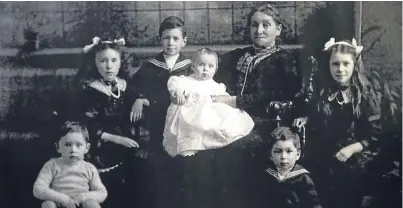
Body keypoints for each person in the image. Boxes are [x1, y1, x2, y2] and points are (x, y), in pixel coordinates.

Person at [213, 4, 304, 207]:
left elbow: (280, 96)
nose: (259, 30)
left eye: (266, 25)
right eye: (254, 25)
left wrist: (233, 101)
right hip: (228, 119)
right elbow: (210, 71)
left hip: (264, 123)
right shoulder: (238, 55)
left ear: (278, 29)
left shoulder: (284, 60)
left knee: (235, 149)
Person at [293, 38, 382, 208]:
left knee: (348, 191)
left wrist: (352, 148)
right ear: (328, 66)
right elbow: (317, 116)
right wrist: (306, 118)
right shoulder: (323, 93)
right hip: (326, 155)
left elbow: (374, 134)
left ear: (354, 65)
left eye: (345, 64)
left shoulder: (365, 95)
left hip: (355, 157)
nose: (340, 69)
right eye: (335, 64)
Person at [129, 16, 192, 208]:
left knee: (182, 169)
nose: (170, 43)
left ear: (184, 41)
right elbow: (135, 87)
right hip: (157, 123)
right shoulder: (150, 66)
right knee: (159, 169)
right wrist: (139, 98)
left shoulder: (189, 66)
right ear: (160, 39)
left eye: (175, 38)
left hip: (183, 124)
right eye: (166, 38)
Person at [77, 36, 145, 207]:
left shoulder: (123, 85)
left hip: (124, 142)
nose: (109, 66)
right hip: (102, 145)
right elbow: (89, 126)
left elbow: (139, 96)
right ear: (95, 63)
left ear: (120, 62)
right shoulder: (91, 90)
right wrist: (118, 139)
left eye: (114, 60)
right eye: (103, 61)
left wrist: (140, 101)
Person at [163, 47, 254, 157]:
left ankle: (209, 143)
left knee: (225, 117)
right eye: (201, 65)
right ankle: (189, 145)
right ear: (193, 66)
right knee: (186, 125)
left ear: (215, 70)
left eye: (210, 66)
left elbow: (222, 98)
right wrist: (178, 93)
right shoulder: (186, 81)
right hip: (187, 115)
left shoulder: (215, 86)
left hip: (206, 116)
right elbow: (175, 86)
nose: (205, 69)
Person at [33, 121, 107, 208]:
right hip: (59, 204)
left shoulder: (89, 168)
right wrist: (62, 199)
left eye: (78, 145)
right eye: (67, 145)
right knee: (47, 204)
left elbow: (102, 193)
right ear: (58, 147)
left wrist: (82, 197)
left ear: (86, 148)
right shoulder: (52, 165)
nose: (73, 150)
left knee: (91, 204)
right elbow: (38, 189)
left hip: (80, 205)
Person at [254, 126, 322, 208]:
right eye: (278, 151)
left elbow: (314, 204)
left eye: (289, 151)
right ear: (270, 155)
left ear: (298, 155)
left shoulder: (303, 178)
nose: (283, 156)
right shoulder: (266, 176)